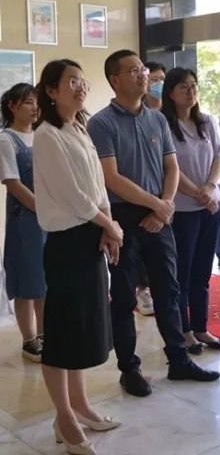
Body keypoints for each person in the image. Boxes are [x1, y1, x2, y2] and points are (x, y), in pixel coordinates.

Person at [87, 50, 220, 398]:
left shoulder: (158, 119)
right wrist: (157, 205)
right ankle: (129, 369)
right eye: (134, 70)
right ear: (115, 79)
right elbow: (111, 177)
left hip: (160, 214)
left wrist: (163, 207)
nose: (143, 75)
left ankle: (178, 360)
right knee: (124, 296)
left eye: (143, 69)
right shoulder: (101, 123)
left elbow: (171, 167)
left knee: (168, 290)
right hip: (123, 216)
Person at [33, 59, 123, 454]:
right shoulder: (46, 135)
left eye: (82, 81)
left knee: (84, 329)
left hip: (91, 236)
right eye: (72, 81)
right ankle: (64, 417)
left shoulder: (79, 129)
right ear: (51, 91)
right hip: (67, 243)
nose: (80, 86)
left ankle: (81, 406)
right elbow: (71, 193)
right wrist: (109, 224)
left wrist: (108, 224)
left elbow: (97, 185)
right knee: (63, 333)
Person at [162, 67, 220, 354]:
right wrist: (199, 194)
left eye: (193, 86)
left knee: (203, 271)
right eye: (183, 87)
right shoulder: (164, 125)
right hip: (183, 210)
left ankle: (201, 327)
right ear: (170, 93)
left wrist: (210, 188)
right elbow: (170, 168)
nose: (191, 91)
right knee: (183, 274)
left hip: (211, 207)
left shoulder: (207, 121)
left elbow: (218, 157)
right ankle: (185, 330)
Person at [0, 83, 47, 362]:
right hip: (26, 218)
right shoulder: (6, 139)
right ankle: (29, 339)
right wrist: (42, 208)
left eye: (37, 102)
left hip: (50, 216)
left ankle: (44, 334)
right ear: (13, 106)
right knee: (27, 279)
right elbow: (13, 183)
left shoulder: (43, 135)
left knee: (45, 279)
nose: (35, 108)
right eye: (28, 102)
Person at [133, 61, 167, 316]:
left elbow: (173, 164)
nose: (159, 84)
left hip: (170, 197)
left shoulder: (168, 116)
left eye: (162, 79)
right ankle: (142, 290)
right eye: (154, 79)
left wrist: (166, 203)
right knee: (141, 251)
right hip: (144, 195)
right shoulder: (139, 116)